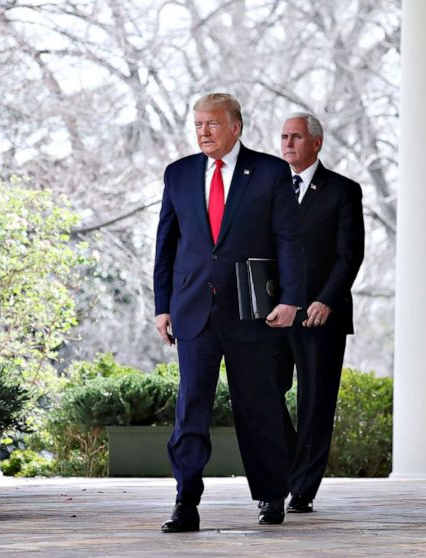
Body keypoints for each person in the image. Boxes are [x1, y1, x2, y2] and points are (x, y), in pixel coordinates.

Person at [153, 93, 306, 532]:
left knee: (259, 406)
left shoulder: (271, 172)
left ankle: (271, 495)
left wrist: (290, 299)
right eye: (198, 124)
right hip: (193, 311)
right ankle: (186, 502)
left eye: (212, 124)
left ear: (235, 127)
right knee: (191, 408)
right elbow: (166, 244)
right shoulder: (179, 174)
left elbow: (288, 241)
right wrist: (162, 306)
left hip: (253, 312)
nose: (203, 132)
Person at [276, 112, 365, 513]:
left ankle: (303, 490)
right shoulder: (271, 188)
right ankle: (293, 461)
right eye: (283, 137)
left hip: (320, 315)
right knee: (260, 391)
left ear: (317, 142)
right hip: (274, 314)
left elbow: (350, 255)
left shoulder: (343, 191)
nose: (288, 144)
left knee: (316, 402)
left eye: (296, 137)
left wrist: (326, 300)